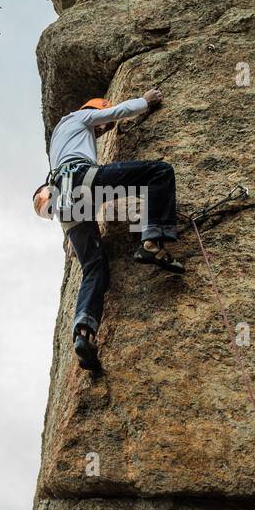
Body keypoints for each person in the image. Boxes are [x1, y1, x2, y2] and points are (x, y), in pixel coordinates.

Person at [32, 89, 184, 372]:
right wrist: (145, 101)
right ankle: (151, 241)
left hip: (67, 203)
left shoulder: (61, 140)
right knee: (159, 172)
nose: (103, 129)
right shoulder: (77, 116)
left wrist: (69, 237)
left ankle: (83, 334)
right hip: (82, 180)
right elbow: (114, 113)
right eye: (100, 126)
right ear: (91, 111)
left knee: (94, 269)